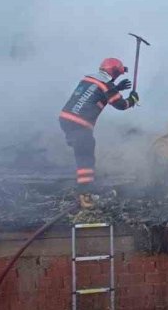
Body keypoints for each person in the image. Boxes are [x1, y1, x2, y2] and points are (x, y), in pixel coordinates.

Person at [59, 58, 139, 209]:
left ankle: (84, 188)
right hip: (80, 124)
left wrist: (116, 88)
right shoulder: (107, 86)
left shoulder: (89, 78)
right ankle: (85, 195)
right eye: (117, 75)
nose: (117, 78)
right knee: (86, 160)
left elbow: (95, 94)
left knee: (82, 151)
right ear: (114, 72)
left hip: (65, 120)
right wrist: (133, 99)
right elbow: (120, 105)